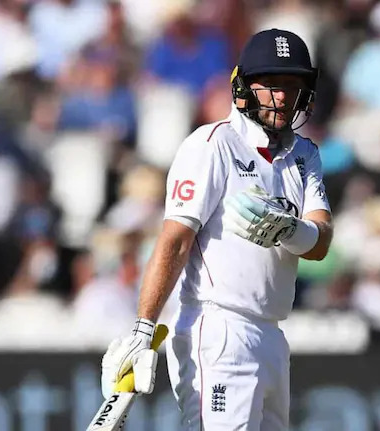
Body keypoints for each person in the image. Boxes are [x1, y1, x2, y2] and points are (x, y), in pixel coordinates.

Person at [98, 29, 333, 430]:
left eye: (292, 86)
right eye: (271, 85)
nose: (282, 97)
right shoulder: (211, 145)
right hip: (219, 328)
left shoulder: (304, 154)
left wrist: (288, 230)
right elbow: (175, 240)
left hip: (272, 334)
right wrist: (144, 326)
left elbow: (320, 242)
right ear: (244, 86)